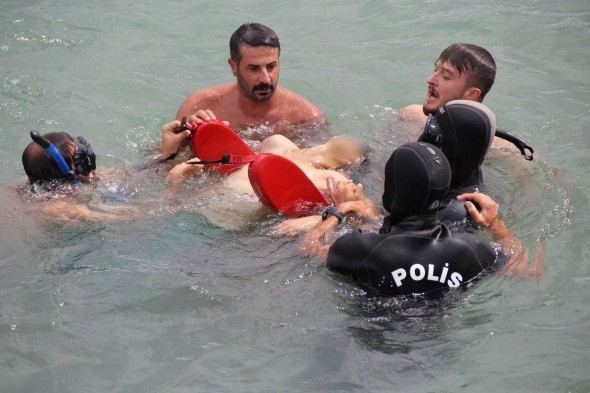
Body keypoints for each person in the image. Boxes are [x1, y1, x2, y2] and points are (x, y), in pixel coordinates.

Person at [300, 142, 543, 297]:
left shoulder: (360, 247)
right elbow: (526, 271)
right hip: (440, 353)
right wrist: (495, 224)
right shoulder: (471, 248)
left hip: (375, 346)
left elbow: (308, 248)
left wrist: (339, 211)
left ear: (392, 190)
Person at [175, 23, 325, 140]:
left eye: (271, 66)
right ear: (233, 67)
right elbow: (162, 166)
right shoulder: (201, 106)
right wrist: (184, 138)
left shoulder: (305, 117)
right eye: (254, 69)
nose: (265, 78)